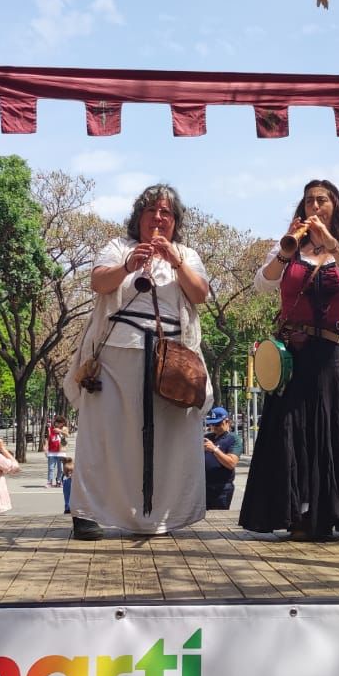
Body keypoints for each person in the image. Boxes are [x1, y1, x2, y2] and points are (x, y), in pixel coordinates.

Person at [65, 184, 211, 539]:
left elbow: (200, 294)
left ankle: (165, 515)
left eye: (166, 213)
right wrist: (130, 264)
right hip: (118, 351)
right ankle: (87, 512)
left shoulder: (186, 254)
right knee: (104, 432)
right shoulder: (119, 247)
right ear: (139, 217)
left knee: (170, 435)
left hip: (170, 355)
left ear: (175, 221)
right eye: (151, 212)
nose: (158, 218)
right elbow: (98, 282)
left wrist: (174, 262)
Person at [239, 179, 339, 540]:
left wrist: (332, 244)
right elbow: (262, 285)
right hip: (293, 352)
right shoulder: (288, 246)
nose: (315, 207)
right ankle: (301, 514)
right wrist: (285, 251)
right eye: (309, 201)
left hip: (331, 353)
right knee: (293, 429)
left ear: (335, 205)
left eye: (322, 200)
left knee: (335, 428)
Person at [203, 405, 239, 509]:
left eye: (218, 424)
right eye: (212, 424)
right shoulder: (207, 437)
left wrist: (214, 449)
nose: (215, 428)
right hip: (204, 487)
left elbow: (231, 463)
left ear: (227, 422)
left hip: (221, 489)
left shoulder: (233, 439)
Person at [45, 417, 66, 487]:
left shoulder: (64, 429)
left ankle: (59, 481)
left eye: (60, 423)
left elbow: (67, 435)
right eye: (57, 422)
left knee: (61, 469)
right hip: (52, 452)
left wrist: (60, 431)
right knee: (51, 468)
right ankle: (49, 482)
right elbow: (48, 439)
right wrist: (46, 448)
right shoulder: (51, 429)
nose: (58, 424)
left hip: (61, 452)